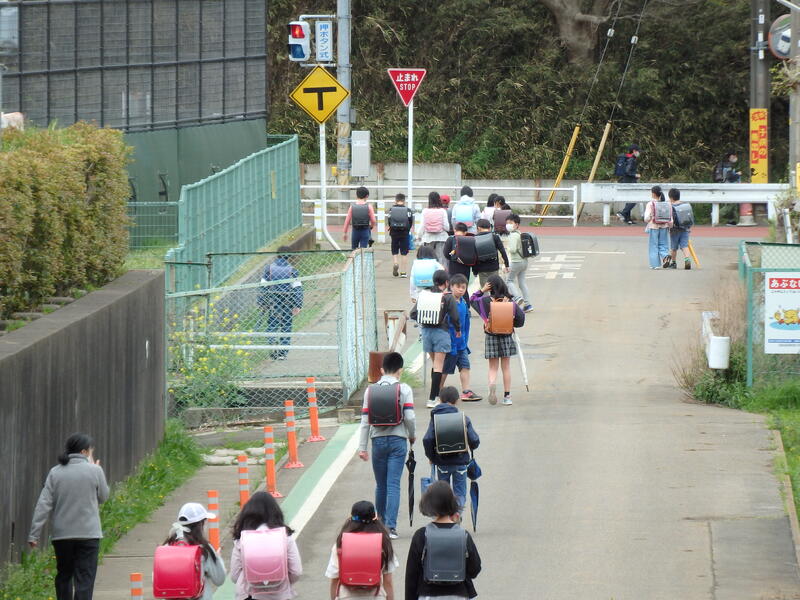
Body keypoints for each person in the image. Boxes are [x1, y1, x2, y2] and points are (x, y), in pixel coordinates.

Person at [29, 433, 110, 600]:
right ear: (84, 452)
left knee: (64, 575)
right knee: (85, 579)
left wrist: (34, 534)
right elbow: (104, 497)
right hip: (88, 534)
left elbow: (43, 504)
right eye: (90, 450)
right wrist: (96, 469)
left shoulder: (55, 472)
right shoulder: (95, 470)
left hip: (62, 536)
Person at [358, 352, 416, 539]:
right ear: (400, 371)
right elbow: (409, 417)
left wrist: (362, 447)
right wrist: (411, 435)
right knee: (393, 485)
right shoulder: (404, 389)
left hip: (378, 441)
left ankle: (379, 525)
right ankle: (391, 527)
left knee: (380, 485)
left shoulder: (370, 390)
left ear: (382, 370)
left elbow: (365, 421)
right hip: (398, 440)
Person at [404, 481, 481, 600]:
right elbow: (474, 569)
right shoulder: (463, 535)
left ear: (428, 503)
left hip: (428, 594)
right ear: (452, 503)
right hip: (459, 594)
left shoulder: (421, 535)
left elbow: (411, 576)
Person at [470, 274, 525, 406]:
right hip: (506, 335)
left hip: (491, 335)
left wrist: (482, 290)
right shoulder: (510, 302)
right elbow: (521, 319)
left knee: (492, 367)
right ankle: (507, 396)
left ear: (489, 287)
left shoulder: (484, 302)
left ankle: (492, 384)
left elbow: (471, 299)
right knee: (506, 367)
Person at [422, 386, 480, 511]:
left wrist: (432, 457)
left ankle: (446, 516)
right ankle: (457, 514)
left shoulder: (435, 419)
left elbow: (427, 439)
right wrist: (470, 446)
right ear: (457, 400)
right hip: (460, 462)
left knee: (444, 493)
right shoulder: (463, 418)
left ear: (440, 400)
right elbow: (474, 440)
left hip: (442, 463)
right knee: (460, 493)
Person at [325, 500, 398, 599]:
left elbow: (334, 579)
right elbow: (388, 581)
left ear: (351, 519)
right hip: (375, 596)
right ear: (375, 518)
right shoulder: (383, 543)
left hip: (346, 597)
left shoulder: (341, 543)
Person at [410, 270, 462, 408]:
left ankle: (435, 396)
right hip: (441, 333)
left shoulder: (424, 295)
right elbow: (455, 316)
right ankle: (433, 398)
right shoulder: (447, 297)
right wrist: (458, 330)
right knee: (439, 366)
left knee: (435, 365)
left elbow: (413, 314)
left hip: (426, 333)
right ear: (446, 282)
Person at [161, 502, 226, 600]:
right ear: (201, 524)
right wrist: (217, 557)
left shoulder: (166, 548)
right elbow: (219, 579)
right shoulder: (204, 549)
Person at [257, 247, 303, 360]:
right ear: (289, 256)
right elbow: (297, 289)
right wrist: (298, 305)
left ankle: (272, 342)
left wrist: (262, 302)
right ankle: (282, 352)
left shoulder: (269, 269)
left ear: (277, 255)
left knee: (272, 324)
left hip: (273, 302)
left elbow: (263, 286)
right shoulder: (292, 270)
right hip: (287, 302)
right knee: (286, 326)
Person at [440, 273, 480, 401]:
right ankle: (438, 391)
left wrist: (465, 340)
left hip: (461, 343)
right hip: (450, 344)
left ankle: (466, 391)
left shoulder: (463, 302)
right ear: (451, 286)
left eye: (463, 287)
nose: (461, 290)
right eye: (458, 287)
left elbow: (466, 323)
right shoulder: (447, 302)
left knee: (465, 366)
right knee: (445, 369)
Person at [504, 213, 534, 312]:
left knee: (509, 280)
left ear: (516, 224)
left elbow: (513, 249)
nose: (508, 225)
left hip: (516, 261)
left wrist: (507, 248)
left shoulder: (513, 235)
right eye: (507, 223)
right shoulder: (520, 234)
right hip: (524, 261)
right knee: (522, 283)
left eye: (510, 223)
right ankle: (528, 304)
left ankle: (517, 297)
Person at [472, 218, 510, 288]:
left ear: (478, 228)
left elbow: (474, 256)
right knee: (495, 288)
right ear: (489, 228)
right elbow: (502, 251)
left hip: (482, 269)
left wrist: (475, 271)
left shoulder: (474, 238)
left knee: (484, 289)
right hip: (494, 267)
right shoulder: (495, 237)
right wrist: (506, 264)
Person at [644, 185, 672, 269]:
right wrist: (670, 225)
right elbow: (670, 218)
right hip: (664, 226)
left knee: (653, 245)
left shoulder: (650, 204)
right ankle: (665, 256)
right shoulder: (667, 203)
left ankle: (655, 264)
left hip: (654, 226)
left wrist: (650, 218)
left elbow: (646, 218)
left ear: (653, 194)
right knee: (663, 244)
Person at [418, 191, 450, 266]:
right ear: (439, 200)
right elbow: (447, 227)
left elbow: (422, 226)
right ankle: (441, 272)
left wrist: (419, 236)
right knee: (441, 260)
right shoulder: (442, 211)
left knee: (428, 259)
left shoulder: (425, 211)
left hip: (428, 238)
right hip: (441, 238)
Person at [388, 193, 414, 278]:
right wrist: (407, 229)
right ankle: (403, 272)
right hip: (404, 233)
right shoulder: (408, 210)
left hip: (394, 232)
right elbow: (410, 221)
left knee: (394, 249)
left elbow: (389, 220)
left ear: (396, 200)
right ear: (404, 201)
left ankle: (396, 262)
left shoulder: (391, 210)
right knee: (404, 253)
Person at [667, 188, 693, 270]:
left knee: (673, 248)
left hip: (674, 230)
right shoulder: (685, 205)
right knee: (684, 246)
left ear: (671, 198)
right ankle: (687, 260)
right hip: (685, 229)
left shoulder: (671, 206)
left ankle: (673, 263)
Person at [616, 144, 642, 224]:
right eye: (638, 151)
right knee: (634, 199)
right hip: (630, 181)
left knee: (629, 199)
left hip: (626, 181)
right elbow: (627, 171)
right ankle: (623, 213)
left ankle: (628, 219)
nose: (639, 153)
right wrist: (635, 175)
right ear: (634, 151)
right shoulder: (631, 159)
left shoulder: (628, 157)